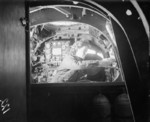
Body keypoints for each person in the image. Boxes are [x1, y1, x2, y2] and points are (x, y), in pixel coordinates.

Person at [51, 37, 115, 83]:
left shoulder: (79, 61)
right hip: (56, 84)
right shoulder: (68, 58)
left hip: (66, 85)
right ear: (77, 48)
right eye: (84, 50)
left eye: (86, 51)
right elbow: (79, 66)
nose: (85, 53)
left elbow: (79, 73)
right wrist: (100, 63)